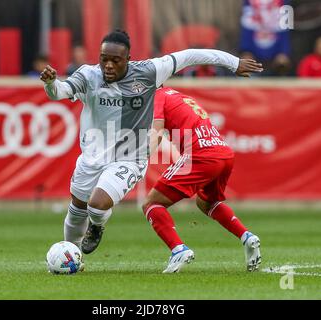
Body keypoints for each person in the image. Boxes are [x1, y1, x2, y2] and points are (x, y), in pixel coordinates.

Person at [40, 30, 263, 257]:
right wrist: (50, 83)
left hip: (129, 158)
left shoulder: (149, 71)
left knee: (96, 205)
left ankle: (96, 225)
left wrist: (233, 63)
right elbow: (60, 91)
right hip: (92, 156)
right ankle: (72, 255)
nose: (108, 65)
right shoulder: (88, 75)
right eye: (103, 58)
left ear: (128, 59)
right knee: (77, 210)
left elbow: (191, 55)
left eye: (115, 60)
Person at [143, 87, 261, 273]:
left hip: (200, 155)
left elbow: (156, 132)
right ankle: (247, 237)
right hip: (223, 153)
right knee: (207, 203)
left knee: (151, 203)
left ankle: (178, 249)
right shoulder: (179, 95)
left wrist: (139, 157)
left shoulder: (158, 96)